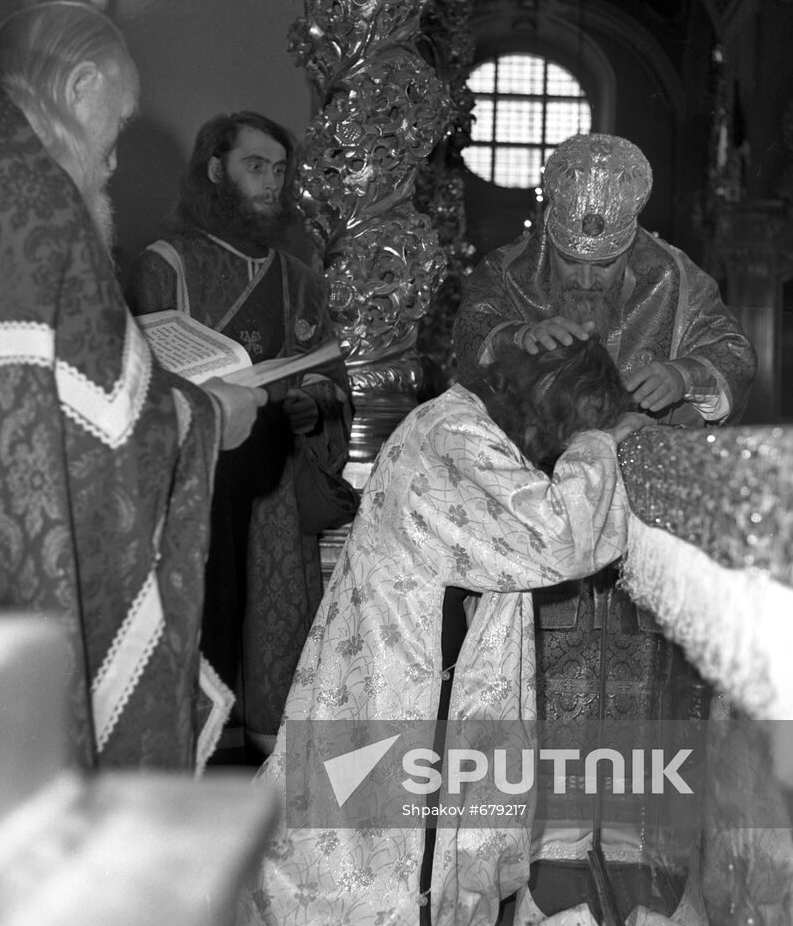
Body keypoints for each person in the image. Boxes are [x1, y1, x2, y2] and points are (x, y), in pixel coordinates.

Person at [239, 336, 649, 926]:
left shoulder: (464, 423)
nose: (552, 453)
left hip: (432, 675)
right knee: (379, 845)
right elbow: (557, 538)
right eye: (566, 430)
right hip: (405, 678)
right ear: (548, 401)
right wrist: (599, 442)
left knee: (425, 832)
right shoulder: (452, 433)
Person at [0, 1, 266, 769]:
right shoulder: (33, 200)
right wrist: (207, 412)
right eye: (117, 125)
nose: (115, 160)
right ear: (82, 85)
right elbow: (103, 428)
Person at [125, 111, 353, 761]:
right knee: (202, 617)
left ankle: (264, 751)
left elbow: (332, 381)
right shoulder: (165, 266)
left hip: (275, 480)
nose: (271, 182)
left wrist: (314, 405)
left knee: (268, 621)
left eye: (280, 170)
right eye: (255, 166)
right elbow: (139, 382)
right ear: (214, 169)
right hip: (194, 478)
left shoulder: (299, 278)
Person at [453, 132, 757, 425]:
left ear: (630, 249)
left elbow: (735, 355)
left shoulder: (674, 278)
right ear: (550, 243)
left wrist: (684, 376)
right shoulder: (506, 271)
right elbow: (470, 329)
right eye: (570, 261)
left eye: (605, 264)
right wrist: (516, 338)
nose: (585, 282)